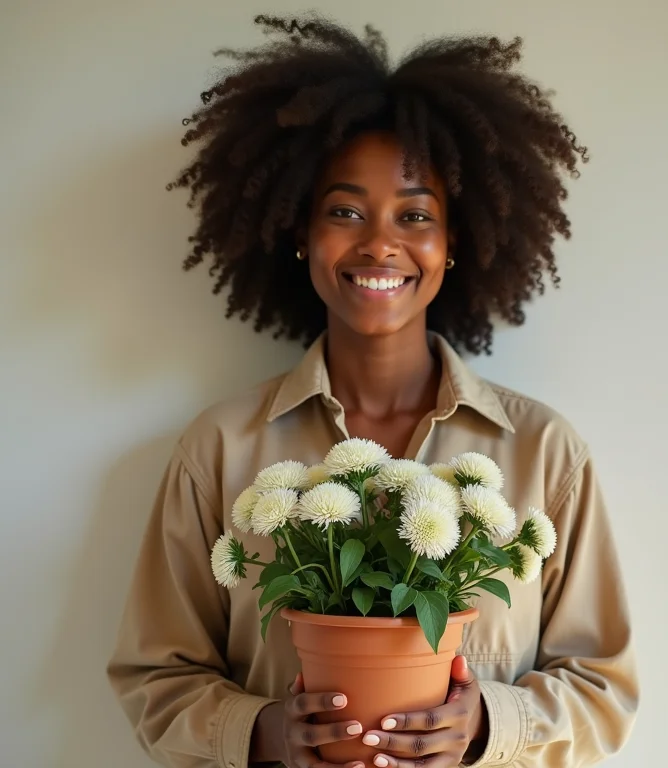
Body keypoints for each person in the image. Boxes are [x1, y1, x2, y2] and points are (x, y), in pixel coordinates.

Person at [107, 14, 638, 768]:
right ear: (300, 232)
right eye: (345, 211)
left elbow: (605, 691)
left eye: (415, 215)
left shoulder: (543, 453)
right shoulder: (220, 449)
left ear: (456, 243)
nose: (380, 243)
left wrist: (488, 724)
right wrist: (265, 732)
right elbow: (154, 679)